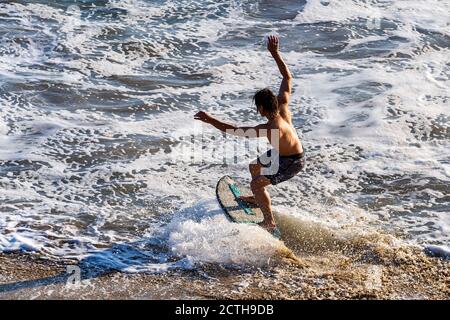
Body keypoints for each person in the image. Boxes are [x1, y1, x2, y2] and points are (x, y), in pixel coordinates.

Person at [194, 35, 305, 235]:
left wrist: (210, 120)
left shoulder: (270, 128)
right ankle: (258, 197)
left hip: (293, 161)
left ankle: (269, 221)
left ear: (262, 108)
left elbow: (234, 130)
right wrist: (275, 54)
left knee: (256, 182)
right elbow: (287, 77)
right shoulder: (283, 103)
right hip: (285, 153)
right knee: (255, 166)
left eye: (257, 107)